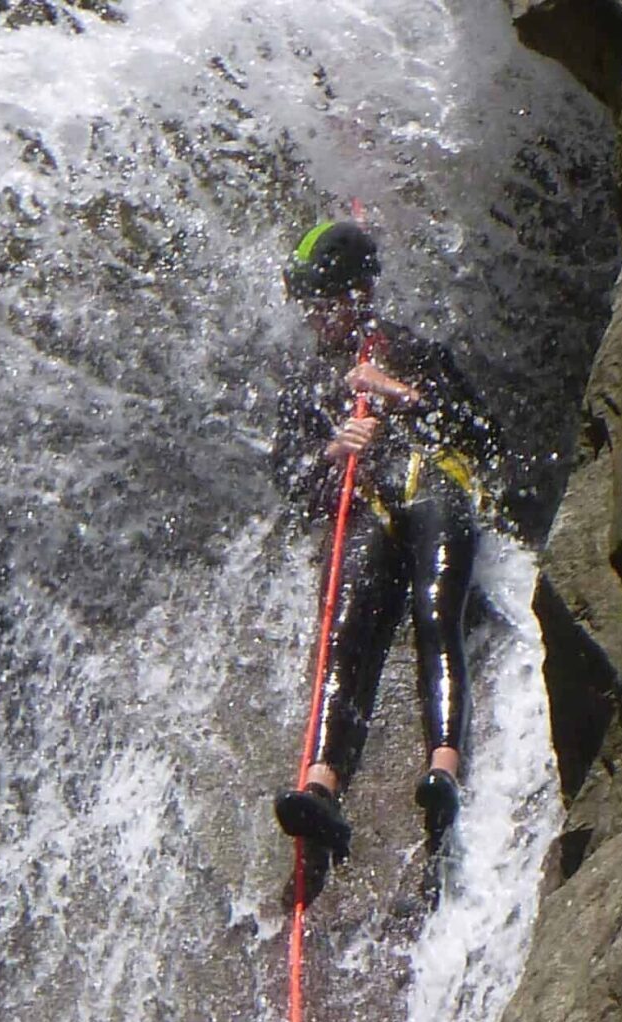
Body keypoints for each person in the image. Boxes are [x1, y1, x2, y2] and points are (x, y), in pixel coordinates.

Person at [271, 220, 501, 862]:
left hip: (436, 485)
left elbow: (482, 434)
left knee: (436, 612)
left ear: (360, 295)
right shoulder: (310, 382)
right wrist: (331, 450)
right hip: (371, 505)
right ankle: (322, 786)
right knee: (345, 633)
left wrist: (400, 395)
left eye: (327, 302)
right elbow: (288, 477)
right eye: (311, 304)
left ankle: (444, 767)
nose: (317, 317)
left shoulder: (412, 351)